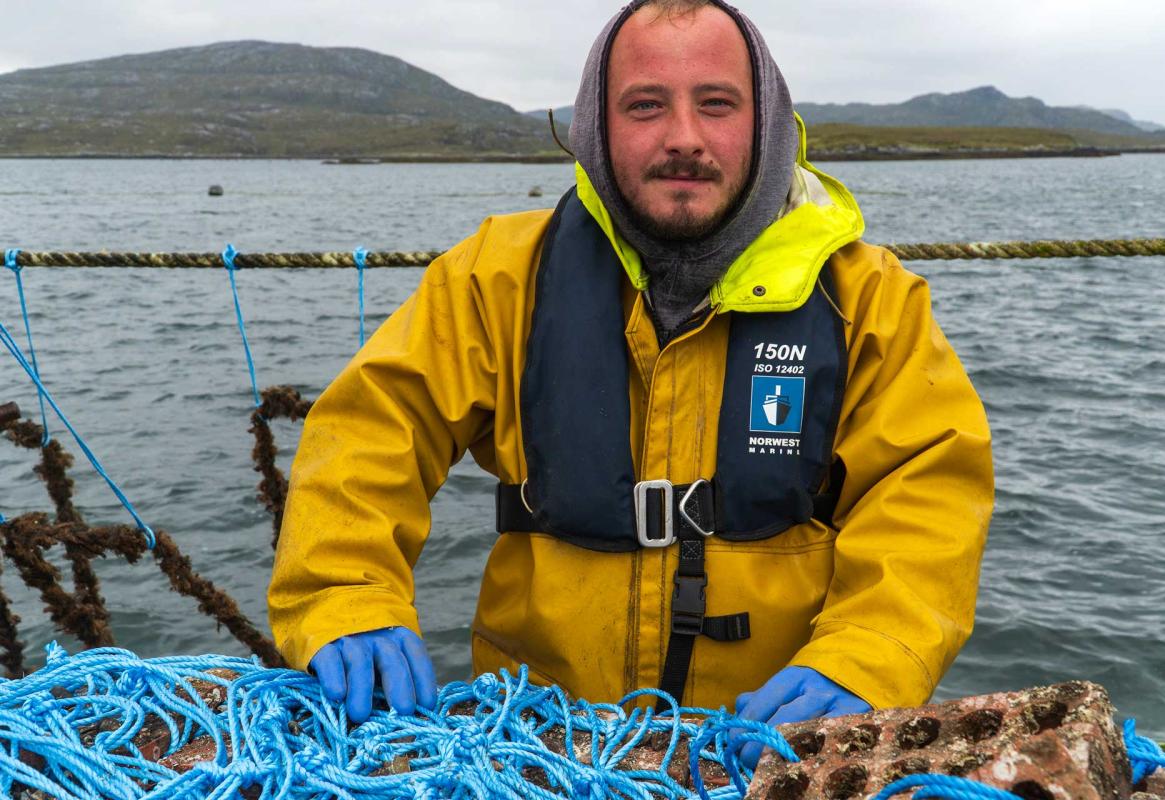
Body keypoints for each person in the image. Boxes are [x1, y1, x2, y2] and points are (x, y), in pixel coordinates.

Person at [268, 0, 993, 769]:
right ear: (596, 127)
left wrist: (869, 656)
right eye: (645, 106)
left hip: (770, 750)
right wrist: (346, 592)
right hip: (531, 744)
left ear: (768, 122)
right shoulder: (494, 278)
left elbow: (929, 491)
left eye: (717, 104)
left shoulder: (872, 301)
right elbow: (374, 426)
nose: (684, 137)